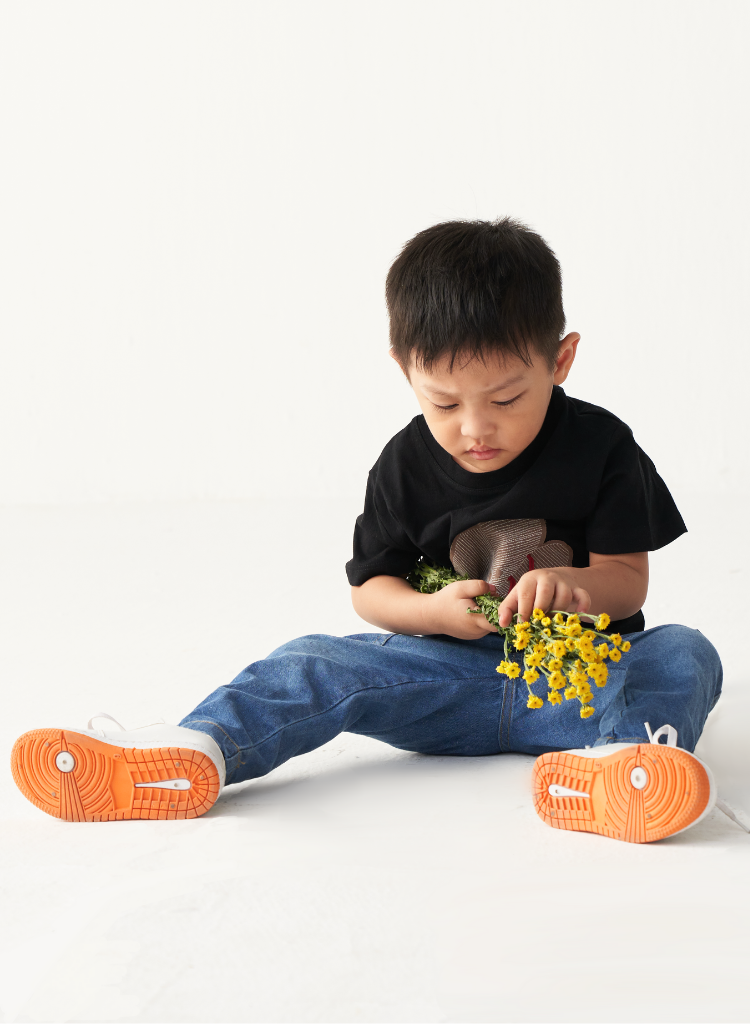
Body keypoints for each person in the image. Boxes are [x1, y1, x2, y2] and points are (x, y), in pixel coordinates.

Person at [11, 218, 723, 842]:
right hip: (448, 683)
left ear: (560, 361)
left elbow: (627, 585)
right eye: (443, 402)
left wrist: (571, 587)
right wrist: (430, 612)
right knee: (317, 659)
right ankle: (195, 749)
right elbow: (371, 590)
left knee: (683, 652)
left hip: (576, 683)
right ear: (404, 369)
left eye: (507, 397)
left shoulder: (601, 445)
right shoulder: (405, 464)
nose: (475, 429)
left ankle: (624, 770)